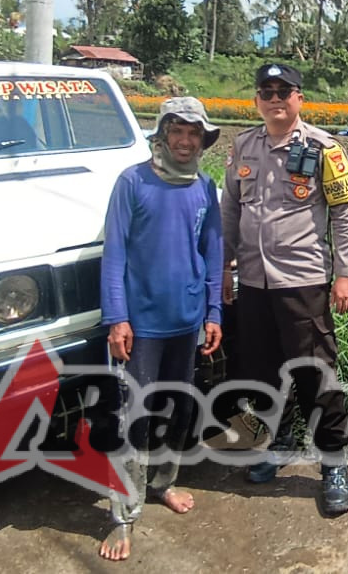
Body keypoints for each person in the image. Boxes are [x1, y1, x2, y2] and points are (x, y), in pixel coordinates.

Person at [221, 62, 348, 516]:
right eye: (267, 91)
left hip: (302, 279)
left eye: (284, 91)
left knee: (314, 373)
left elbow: (343, 213)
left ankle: (334, 463)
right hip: (253, 282)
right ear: (256, 100)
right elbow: (230, 211)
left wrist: (345, 272)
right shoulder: (243, 145)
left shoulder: (323, 148)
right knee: (261, 370)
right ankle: (276, 446)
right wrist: (224, 266)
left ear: (300, 98)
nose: (275, 99)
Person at [97, 96, 225, 562]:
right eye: (179, 131)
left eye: (195, 134)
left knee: (176, 411)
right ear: (163, 134)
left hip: (187, 321)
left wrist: (213, 313)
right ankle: (123, 516)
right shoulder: (132, 183)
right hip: (141, 326)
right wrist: (117, 318)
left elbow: (212, 252)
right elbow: (114, 256)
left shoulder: (204, 187)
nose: (187, 141)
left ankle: (164, 483)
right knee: (134, 416)